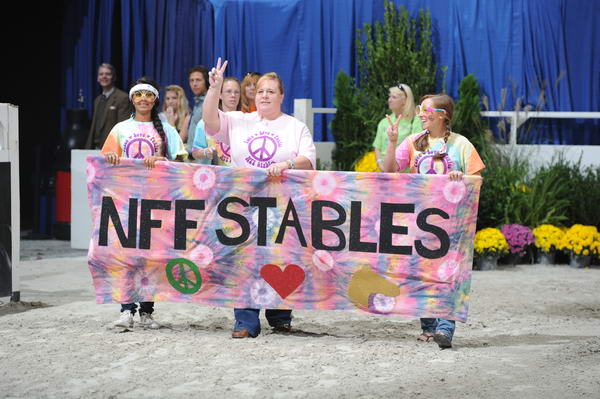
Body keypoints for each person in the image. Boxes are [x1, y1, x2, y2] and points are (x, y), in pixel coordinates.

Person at [203, 58, 316, 338]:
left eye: (271, 91)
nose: (264, 95)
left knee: (280, 257)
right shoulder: (239, 120)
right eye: (261, 90)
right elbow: (209, 121)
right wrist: (214, 88)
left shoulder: (294, 126)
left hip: (282, 206)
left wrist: (287, 165)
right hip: (242, 204)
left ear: (281, 96)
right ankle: (245, 321)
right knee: (243, 259)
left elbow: (309, 160)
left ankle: (279, 316)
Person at [383, 93, 485, 349]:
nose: (420, 113)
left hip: (452, 225)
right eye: (419, 108)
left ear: (443, 115)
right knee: (422, 273)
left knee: (451, 273)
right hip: (419, 220)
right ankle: (429, 326)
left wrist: (460, 178)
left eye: (426, 109)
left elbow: (477, 180)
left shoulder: (461, 144)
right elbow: (390, 171)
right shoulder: (413, 142)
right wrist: (393, 143)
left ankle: (445, 328)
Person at [101, 77, 187, 329]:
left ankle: (147, 311)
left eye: (148, 95)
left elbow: (181, 163)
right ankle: (126, 309)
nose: (143, 99)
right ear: (132, 99)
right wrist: (111, 157)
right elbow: (105, 162)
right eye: (138, 95)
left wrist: (162, 161)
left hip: (157, 202)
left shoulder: (167, 131)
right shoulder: (120, 129)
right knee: (127, 257)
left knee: (152, 258)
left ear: (155, 99)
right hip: (126, 201)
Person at [191, 77, 241, 165]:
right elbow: (195, 153)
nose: (233, 95)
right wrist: (205, 152)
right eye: (228, 91)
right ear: (220, 95)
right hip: (213, 176)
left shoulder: (245, 121)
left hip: (238, 176)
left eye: (236, 92)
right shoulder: (204, 123)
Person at [372, 83, 422, 171]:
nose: (389, 100)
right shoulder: (383, 122)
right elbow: (377, 147)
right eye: (389, 97)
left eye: (394, 97)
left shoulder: (415, 121)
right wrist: (381, 165)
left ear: (405, 100)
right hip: (383, 172)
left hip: (404, 175)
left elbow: (417, 148)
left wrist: (398, 167)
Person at [85, 63, 132, 149]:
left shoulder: (122, 98)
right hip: (95, 147)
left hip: (112, 148)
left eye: (108, 74)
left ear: (114, 77)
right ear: (98, 78)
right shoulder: (97, 100)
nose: (104, 76)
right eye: (101, 74)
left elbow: (123, 127)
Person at [185, 65, 210, 161]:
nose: (194, 84)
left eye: (198, 80)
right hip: (192, 156)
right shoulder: (197, 102)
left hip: (204, 157)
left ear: (206, 81)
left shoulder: (209, 101)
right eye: (192, 80)